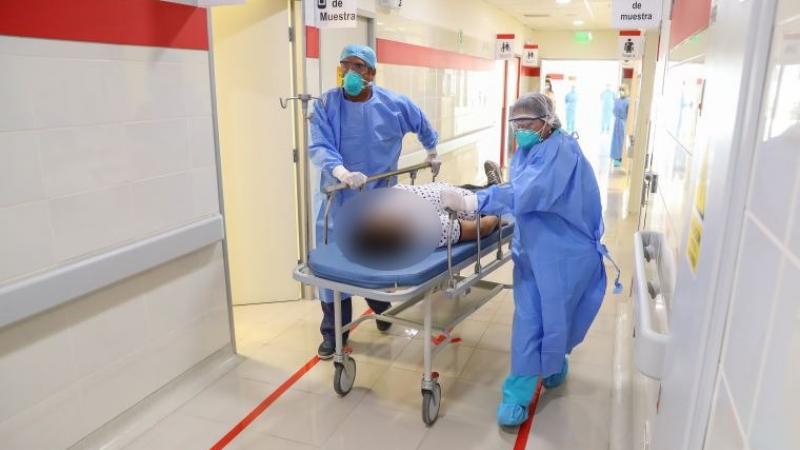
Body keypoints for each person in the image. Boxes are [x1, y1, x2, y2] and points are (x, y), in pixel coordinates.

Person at [439, 93, 622, 427]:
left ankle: (553, 364)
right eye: (516, 123)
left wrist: (474, 201)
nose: (520, 129)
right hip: (533, 252)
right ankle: (519, 394)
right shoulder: (526, 150)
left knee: (558, 317)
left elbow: (527, 192)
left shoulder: (562, 151)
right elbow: (519, 193)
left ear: (547, 121)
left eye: (527, 122)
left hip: (564, 253)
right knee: (529, 320)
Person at [309, 44, 441, 359]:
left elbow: (423, 125)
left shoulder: (394, 105)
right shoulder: (326, 104)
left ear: (371, 72)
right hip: (337, 199)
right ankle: (334, 332)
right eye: (344, 65)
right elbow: (320, 145)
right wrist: (342, 172)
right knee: (332, 266)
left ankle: (381, 308)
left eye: (357, 66)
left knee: (375, 254)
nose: (349, 72)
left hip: (379, 199)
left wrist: (432, 152)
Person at [611, 85, 629, 167]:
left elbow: (628, 114)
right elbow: (614, 111)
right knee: (615, 141)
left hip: (623, 123)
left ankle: (621, 157)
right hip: (616, 123)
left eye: (623, 90)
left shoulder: (628, 101)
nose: (621, 91)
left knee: (622, 140)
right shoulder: (617, 101)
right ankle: (616, 157)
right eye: (620, 90)